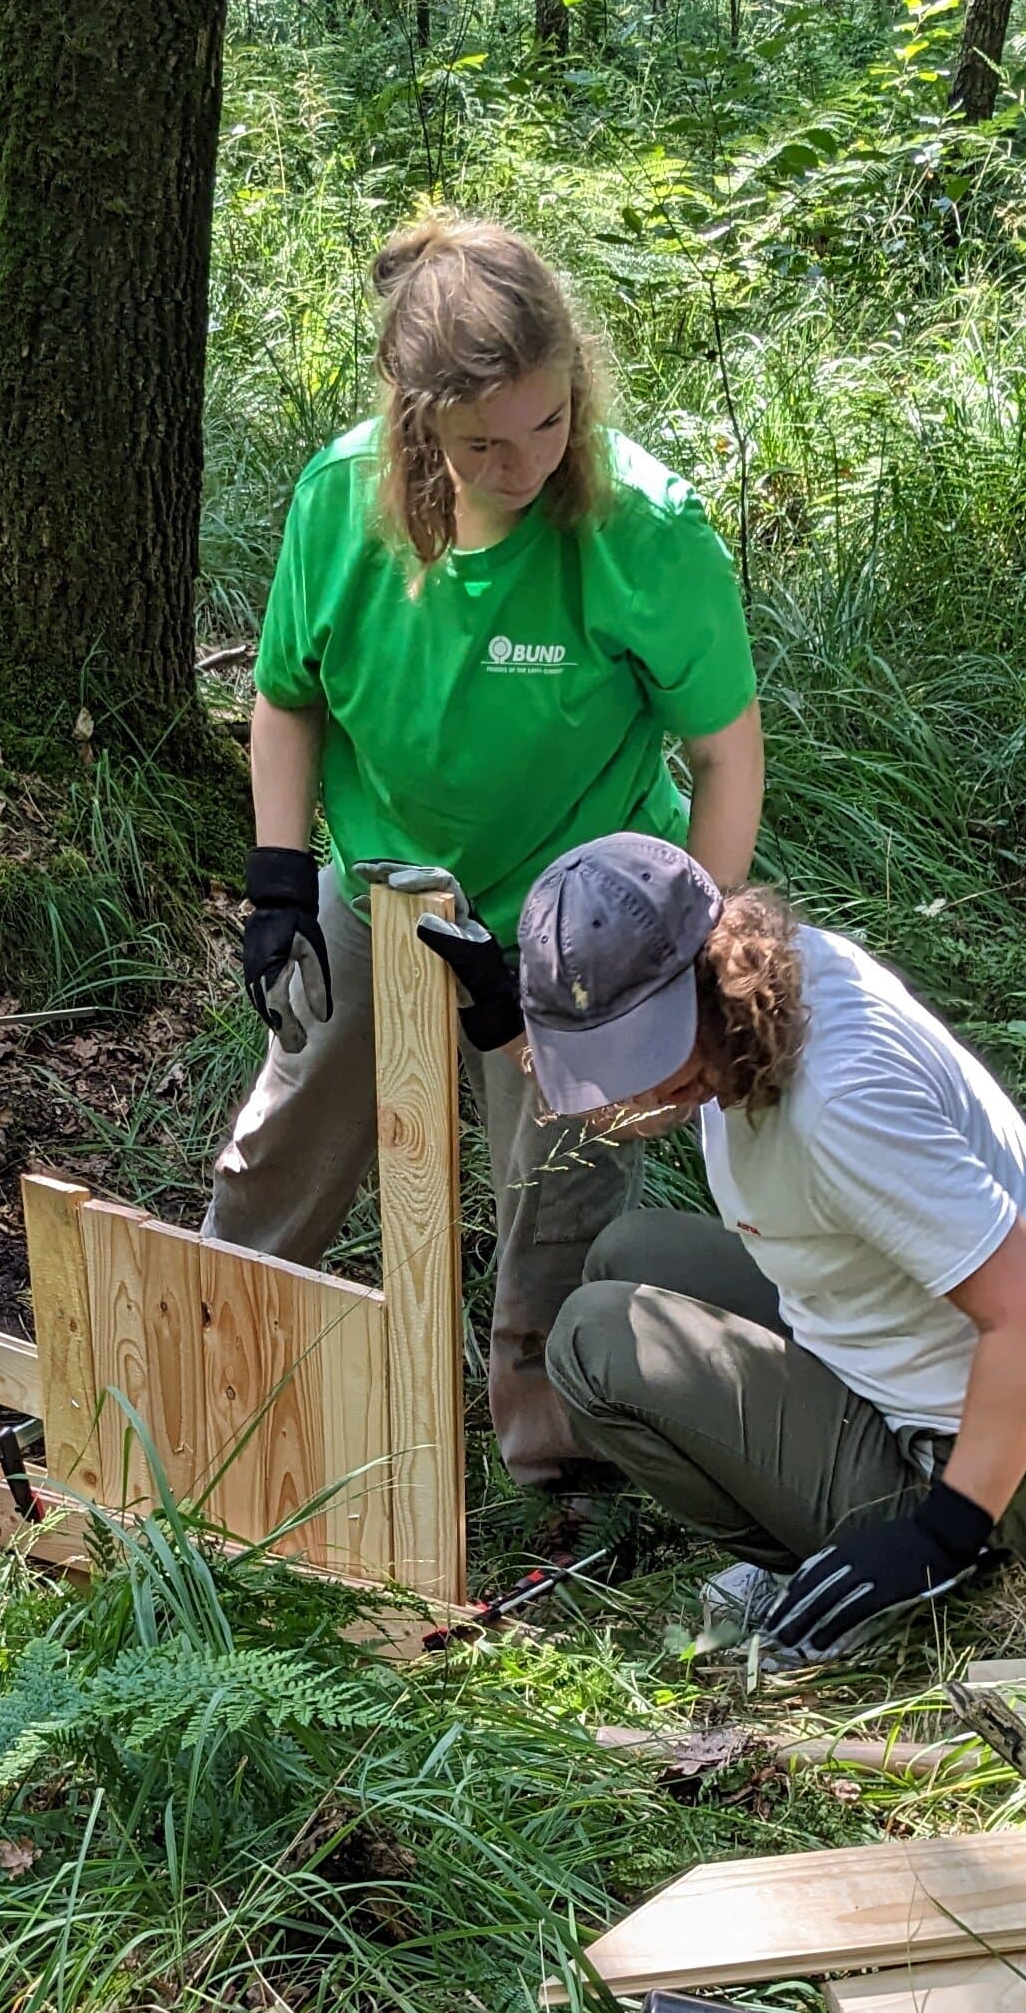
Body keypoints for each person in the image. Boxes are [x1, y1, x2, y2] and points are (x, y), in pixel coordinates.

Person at [208, 216, 765, 1484]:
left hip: (578, 919)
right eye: (484, 445)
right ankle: (218, 1347)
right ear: (419, 430)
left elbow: (727, 754)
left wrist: (694, 939)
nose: (527, 464)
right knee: (287, 1133)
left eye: (550, 423)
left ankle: (550, 1439)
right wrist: (278, 882)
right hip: (388, 886)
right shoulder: (340, 503)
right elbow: (286, 699)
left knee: (564, 1175)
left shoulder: (645, 530)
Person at [519, 835, 1026, 1663]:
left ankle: (830, 1566)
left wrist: (941, 1534)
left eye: (641, 1052)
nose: (630, 1090)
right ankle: (821, 1504)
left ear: (702, 976)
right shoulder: (767, 986)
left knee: (594, 1340)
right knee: (630, 1253)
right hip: (899, 1366)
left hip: (999, 1475)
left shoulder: (842, 1105)